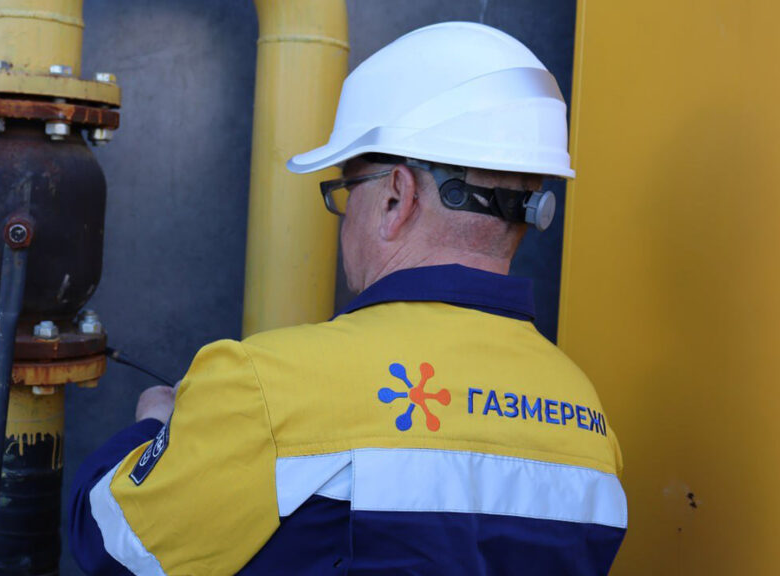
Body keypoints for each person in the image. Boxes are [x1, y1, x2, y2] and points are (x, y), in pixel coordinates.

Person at [70, 22, 626, 576]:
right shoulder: (588, 424)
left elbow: (112, 547)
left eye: (346, 189)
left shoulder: (263, 387)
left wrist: (154, 430)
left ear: (396, 197)